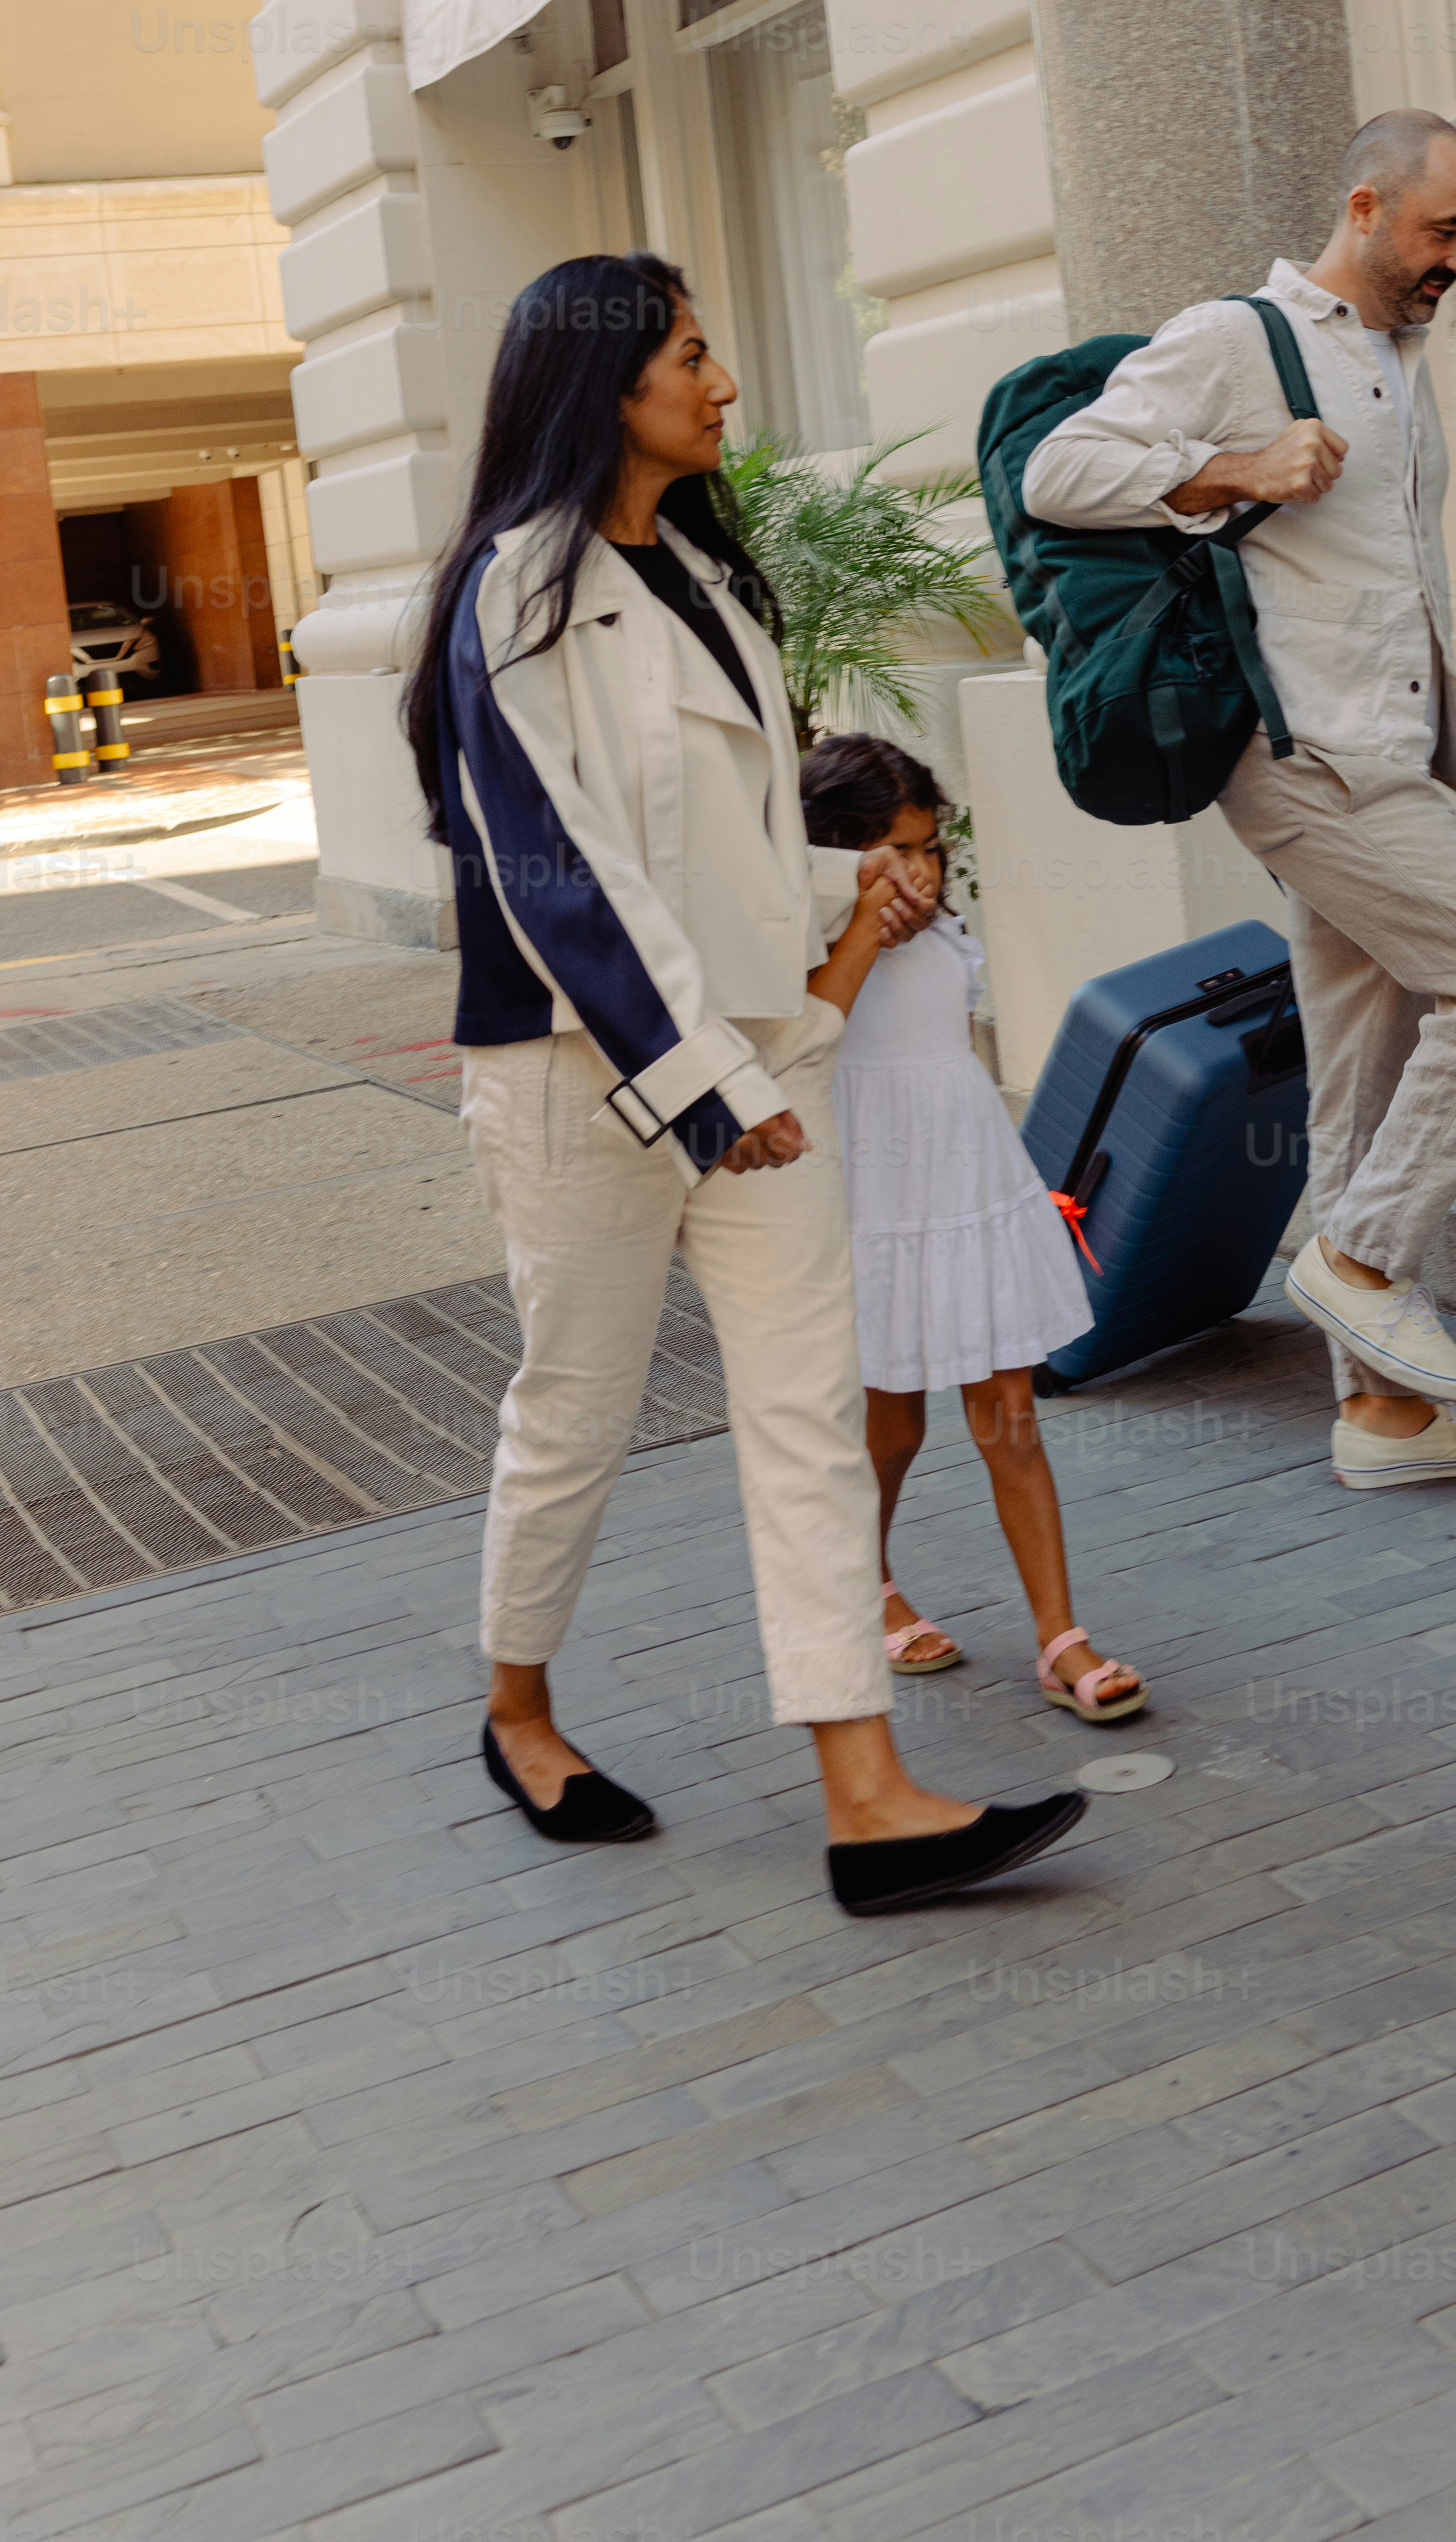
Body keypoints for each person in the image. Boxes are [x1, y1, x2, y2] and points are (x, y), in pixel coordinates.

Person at [402, 251, 1085, 1914]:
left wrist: (841, 913)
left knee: (806, 1421)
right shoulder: (513, 588)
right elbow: (551, 867)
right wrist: (703, 1080)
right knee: (576, 1409)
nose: (722, 386)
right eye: (693, 358)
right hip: (584, 1075)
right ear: (603, 382)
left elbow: (738, 844)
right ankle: (518, 1710)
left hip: (758, 1065)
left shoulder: (713, 577)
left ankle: (867, 1797)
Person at [1020, 114, 1456, 1489]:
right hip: (1304, 761)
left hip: (1381, 753)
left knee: (1361, 1083)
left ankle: (1381, 1418)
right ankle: (1356, 1261)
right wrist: (1234, 471)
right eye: (1442, 232)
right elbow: (1060, 474)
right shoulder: (1233, 339)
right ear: (1367, 205)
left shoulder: (1396, 356)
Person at [799, 732, 1147, 1723]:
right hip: (876, 1202)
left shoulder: (945, 928)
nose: (917, 871)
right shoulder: (815, 933)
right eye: (894, 851)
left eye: (929, 848)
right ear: (836, 851)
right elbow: (809, 1035)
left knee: (1010, 1419)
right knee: (891, 1426)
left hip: (968, 1187)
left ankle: (1060, 1639)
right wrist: (862, 924)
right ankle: (865, 1586)